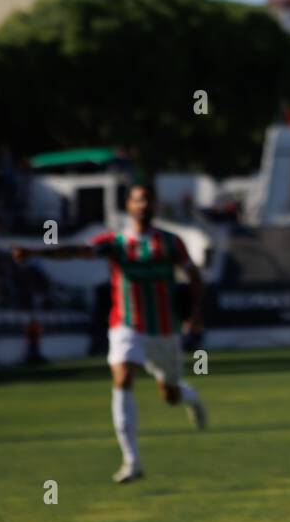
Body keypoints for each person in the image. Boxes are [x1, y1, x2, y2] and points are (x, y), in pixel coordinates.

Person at [13, 183, 207, 482]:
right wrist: (37, 252)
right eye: (137, 200)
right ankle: (132, 461)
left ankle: (190, 398)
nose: (142, 206)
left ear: (155, 206)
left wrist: (194, 313)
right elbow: (78, 251)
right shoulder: (115, 242)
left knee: (169, 395)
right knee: (123, 377)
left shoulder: (170, 243)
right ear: (128, 205)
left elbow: (193, 275)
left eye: (147, 201)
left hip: (163, 330)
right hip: (125, 325)